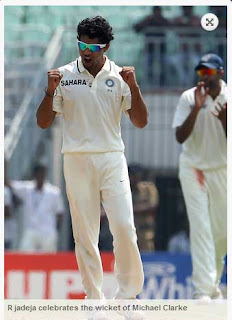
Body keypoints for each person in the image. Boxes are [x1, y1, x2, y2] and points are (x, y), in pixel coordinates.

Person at [36, 15, 148, 311]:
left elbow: (140, 121)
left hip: (112, 157)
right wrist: (49, 91)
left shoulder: (120, 76)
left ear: (106, 46)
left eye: (93, 46)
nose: (86, 51)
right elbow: (44, 123)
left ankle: (127, 294)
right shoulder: (63, 75)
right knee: (84, 232)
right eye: (82, 44)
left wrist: (134, 87)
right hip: (76, 159)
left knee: (124, 226)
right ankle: (94, 297)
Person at [172, 53, 227, 301]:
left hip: (222, 169)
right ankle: (202, 290)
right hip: (193, 167)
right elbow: (180, 137)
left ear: (221, 73)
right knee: (201, 226)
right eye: (201, 72)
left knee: (222, 232)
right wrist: (196, 108)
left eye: (209, 72)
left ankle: (213, 285)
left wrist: (225, 118)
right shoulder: (188, 97)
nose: (204, 76)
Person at [10, 163, 64, 252]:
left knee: (48, 261)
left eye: (43, 173)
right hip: (31, 230)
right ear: (34, 174)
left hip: (48, 231)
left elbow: (60, 213)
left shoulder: (54, 192)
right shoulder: (27, 189)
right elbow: (9, 184)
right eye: (39, 173)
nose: (41, 175)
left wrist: (55, 231)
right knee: (25, 256)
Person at [133, 6, 170, 86]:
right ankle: (147, 83)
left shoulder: (163, 20)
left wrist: (159, 20)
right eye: (155, 12)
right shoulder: (148, 20)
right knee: (146, 67)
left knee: (164, 66)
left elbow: (171, 26)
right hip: (148, 50)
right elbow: (136, 28)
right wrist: (147, 21)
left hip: (162, 50)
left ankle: (162, 83)